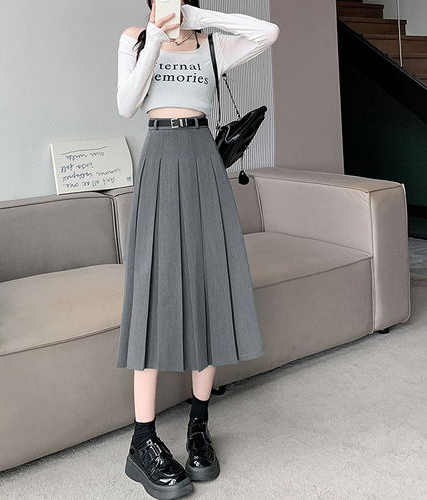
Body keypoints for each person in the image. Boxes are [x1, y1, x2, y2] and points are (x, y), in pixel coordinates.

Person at [116, 1, 279, 498]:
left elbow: (268, 31)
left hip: (204, 162)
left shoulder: (213, 46)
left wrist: (198, 20)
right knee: (153, 289)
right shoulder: (135, 39)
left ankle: (198, 426)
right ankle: (142, 441)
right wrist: (155, 36)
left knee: (209, 285)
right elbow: (127, 104)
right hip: (160, 159)